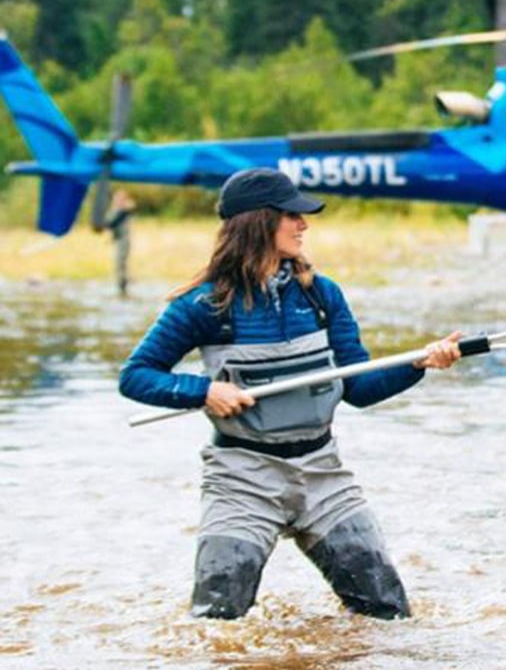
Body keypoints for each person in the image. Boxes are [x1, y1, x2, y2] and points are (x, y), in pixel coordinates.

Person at [118, 167, 463, 620]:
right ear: (258, 222)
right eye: (292, 215)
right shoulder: (203, 306)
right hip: (241, 479)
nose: (304, 225)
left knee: (388, 614)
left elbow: (357, 388)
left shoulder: (322, 296)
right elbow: (137, 375)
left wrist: (418, 365)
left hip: (323, 476)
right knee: (217, 622)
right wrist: (204, 391)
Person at [106, 189, 137, 297]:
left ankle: (123, 286)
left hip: (124, 241)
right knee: (119, 264)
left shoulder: (124, 211)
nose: (116, 201)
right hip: (119, 240)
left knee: (121, 264)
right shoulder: (118, 210)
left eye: (119, 198)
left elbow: (111, 222)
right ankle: (123, 285)